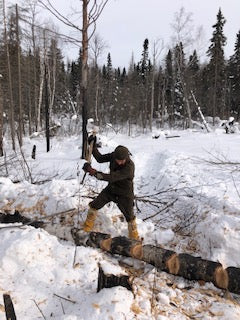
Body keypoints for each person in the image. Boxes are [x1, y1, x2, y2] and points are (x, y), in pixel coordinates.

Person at [82, 137, 139, 240]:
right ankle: (86, 229)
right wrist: (93, 146)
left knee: (130, 217)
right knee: (94, 205)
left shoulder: (129, 167)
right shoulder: (113, 156)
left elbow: (112, 177)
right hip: (111, 190)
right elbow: (100, 159)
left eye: (122, 161)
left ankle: (134, 239)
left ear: (127, 157)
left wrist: (93, 172)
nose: (119, 162)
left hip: (124, 194)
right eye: (117, 160)